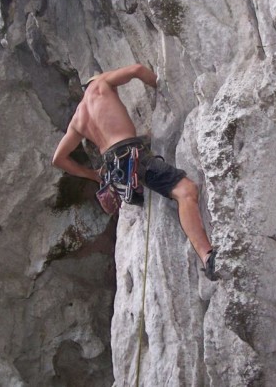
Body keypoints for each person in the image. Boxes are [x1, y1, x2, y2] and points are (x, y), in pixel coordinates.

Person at [52, 64, 217, 281]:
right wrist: (160, 86)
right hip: (130, 155)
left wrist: (92, 174)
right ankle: (207, 256)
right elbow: (137, 69)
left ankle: (206, 255)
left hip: (115, 169)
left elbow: (58, 159)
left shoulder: (78, 119)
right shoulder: (102, 84)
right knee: (186, 191)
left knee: (170, 185)